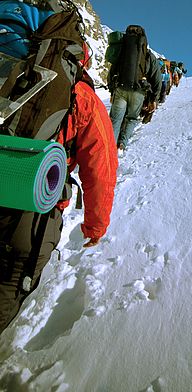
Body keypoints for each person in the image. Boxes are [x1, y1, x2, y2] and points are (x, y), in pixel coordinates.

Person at [0, 44, 118, 335]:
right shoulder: (82, 96)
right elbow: (100, 169)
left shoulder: (7, 71)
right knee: (8, 286)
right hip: (30, 212)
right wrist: (95, 226)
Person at [107, 25, 162, 154]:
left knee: (115, 119)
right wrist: (154, 99)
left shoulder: (122, 51)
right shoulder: (149, 56)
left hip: (120, 89)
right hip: (139, 92)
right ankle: (122, 145)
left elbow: (112, 71)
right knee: (131, 118)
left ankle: (110, 149)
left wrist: (111, 90)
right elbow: (157, 79)